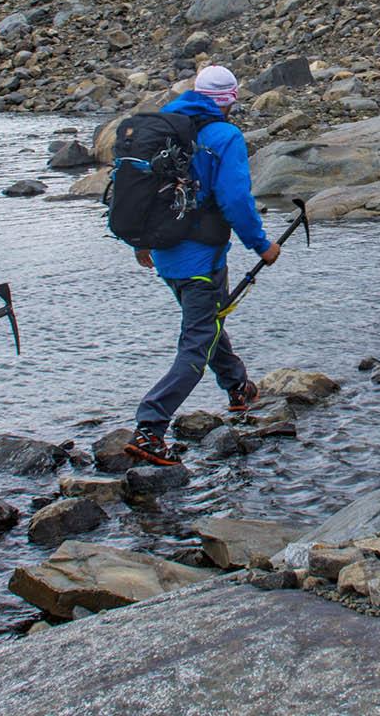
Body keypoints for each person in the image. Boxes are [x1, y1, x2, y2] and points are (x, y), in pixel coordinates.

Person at [125, 65, 280, 466]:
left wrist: (141, 243)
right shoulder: (224, 136)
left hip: (164, 255)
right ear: (230, 99)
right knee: (196, 342)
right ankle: (150, 425)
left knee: (207, 326)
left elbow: (141, 191)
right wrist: (262, 245)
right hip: (202, 258)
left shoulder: (161, 129)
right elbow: (235, 201)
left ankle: (238, 387)